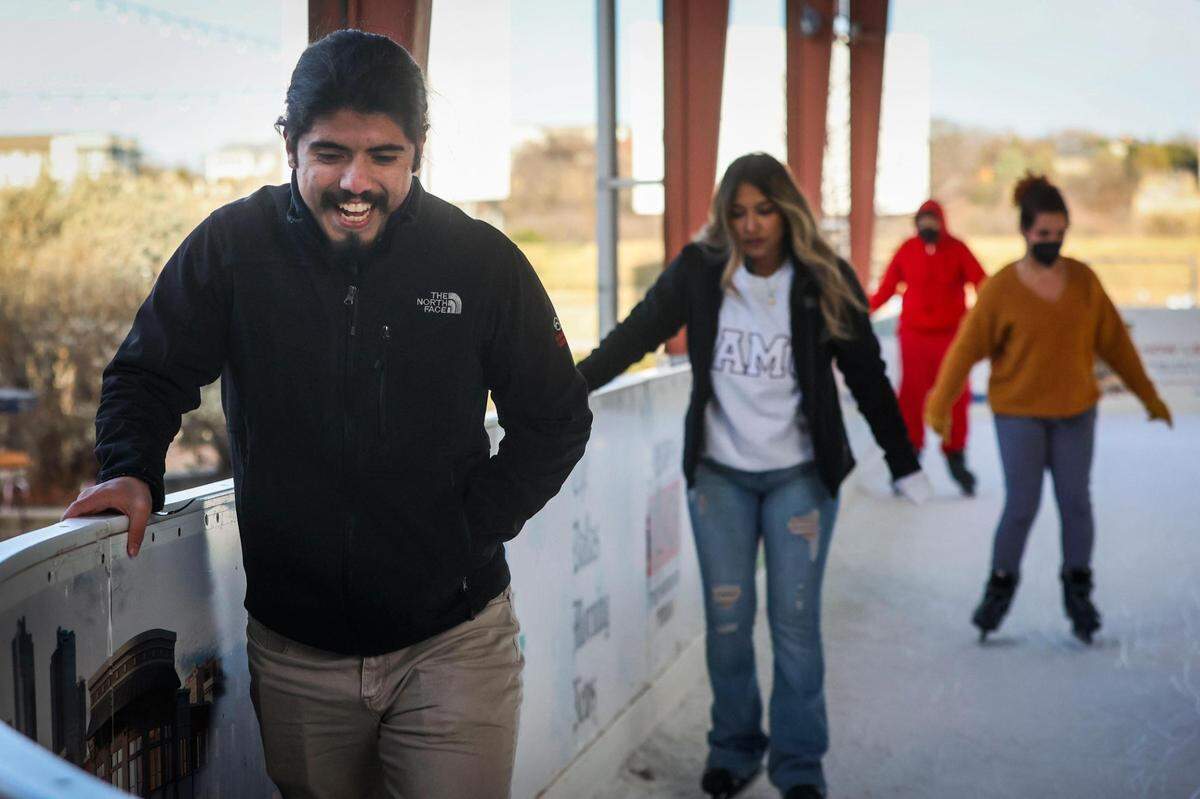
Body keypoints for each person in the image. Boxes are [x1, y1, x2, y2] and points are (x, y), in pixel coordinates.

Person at [62, 30, 592, 799]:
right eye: (331, 152)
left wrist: (466, 529)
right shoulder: (232, 248)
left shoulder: (478, 261)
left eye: (383, 156)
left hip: (454, 643)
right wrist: (129, 468)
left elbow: (556, 418)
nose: (356, 182)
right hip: (295, 653)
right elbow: (146, 372)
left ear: (418, 150)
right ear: (290, 144)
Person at [577, 153, 928, 799]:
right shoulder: (701, 270)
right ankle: (735, 747)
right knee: (728, 620)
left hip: (801, 476)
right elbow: (639, 334)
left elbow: (868, 375)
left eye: (764, 209)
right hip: (721, 478)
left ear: (787, 210)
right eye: (737, 212)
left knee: (795, 623)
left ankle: (799, 764)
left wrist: (903, 460)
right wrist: (573, 387)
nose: (751, 224)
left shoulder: (824, 279)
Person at [925, 173, 1172, 645]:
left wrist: (1149, 395)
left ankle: (1079, 593)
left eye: (1060, 235)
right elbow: (964, 350)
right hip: (1018, 413)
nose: (1052, 243)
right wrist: (940, 403)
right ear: (1024, 231)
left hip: (1076, 411)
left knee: (1076, 502)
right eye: (1043, 235)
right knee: (1022, 505)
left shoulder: (1083, 282)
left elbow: (1117, 344)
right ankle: (998, 590)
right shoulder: (1001, 289)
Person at [870, 199, 987, 495]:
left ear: (942, 222)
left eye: (932, 222)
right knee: (910, 395)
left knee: (956, 395)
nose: (927, 228)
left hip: (951, 338)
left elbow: (982, 284)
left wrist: (987, 319)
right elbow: (885, 290)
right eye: (923, 222)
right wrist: (858, 312)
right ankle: (909, 460)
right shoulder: (907, 250)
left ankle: (955, 455)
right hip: (914, 337)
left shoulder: (957, 249)